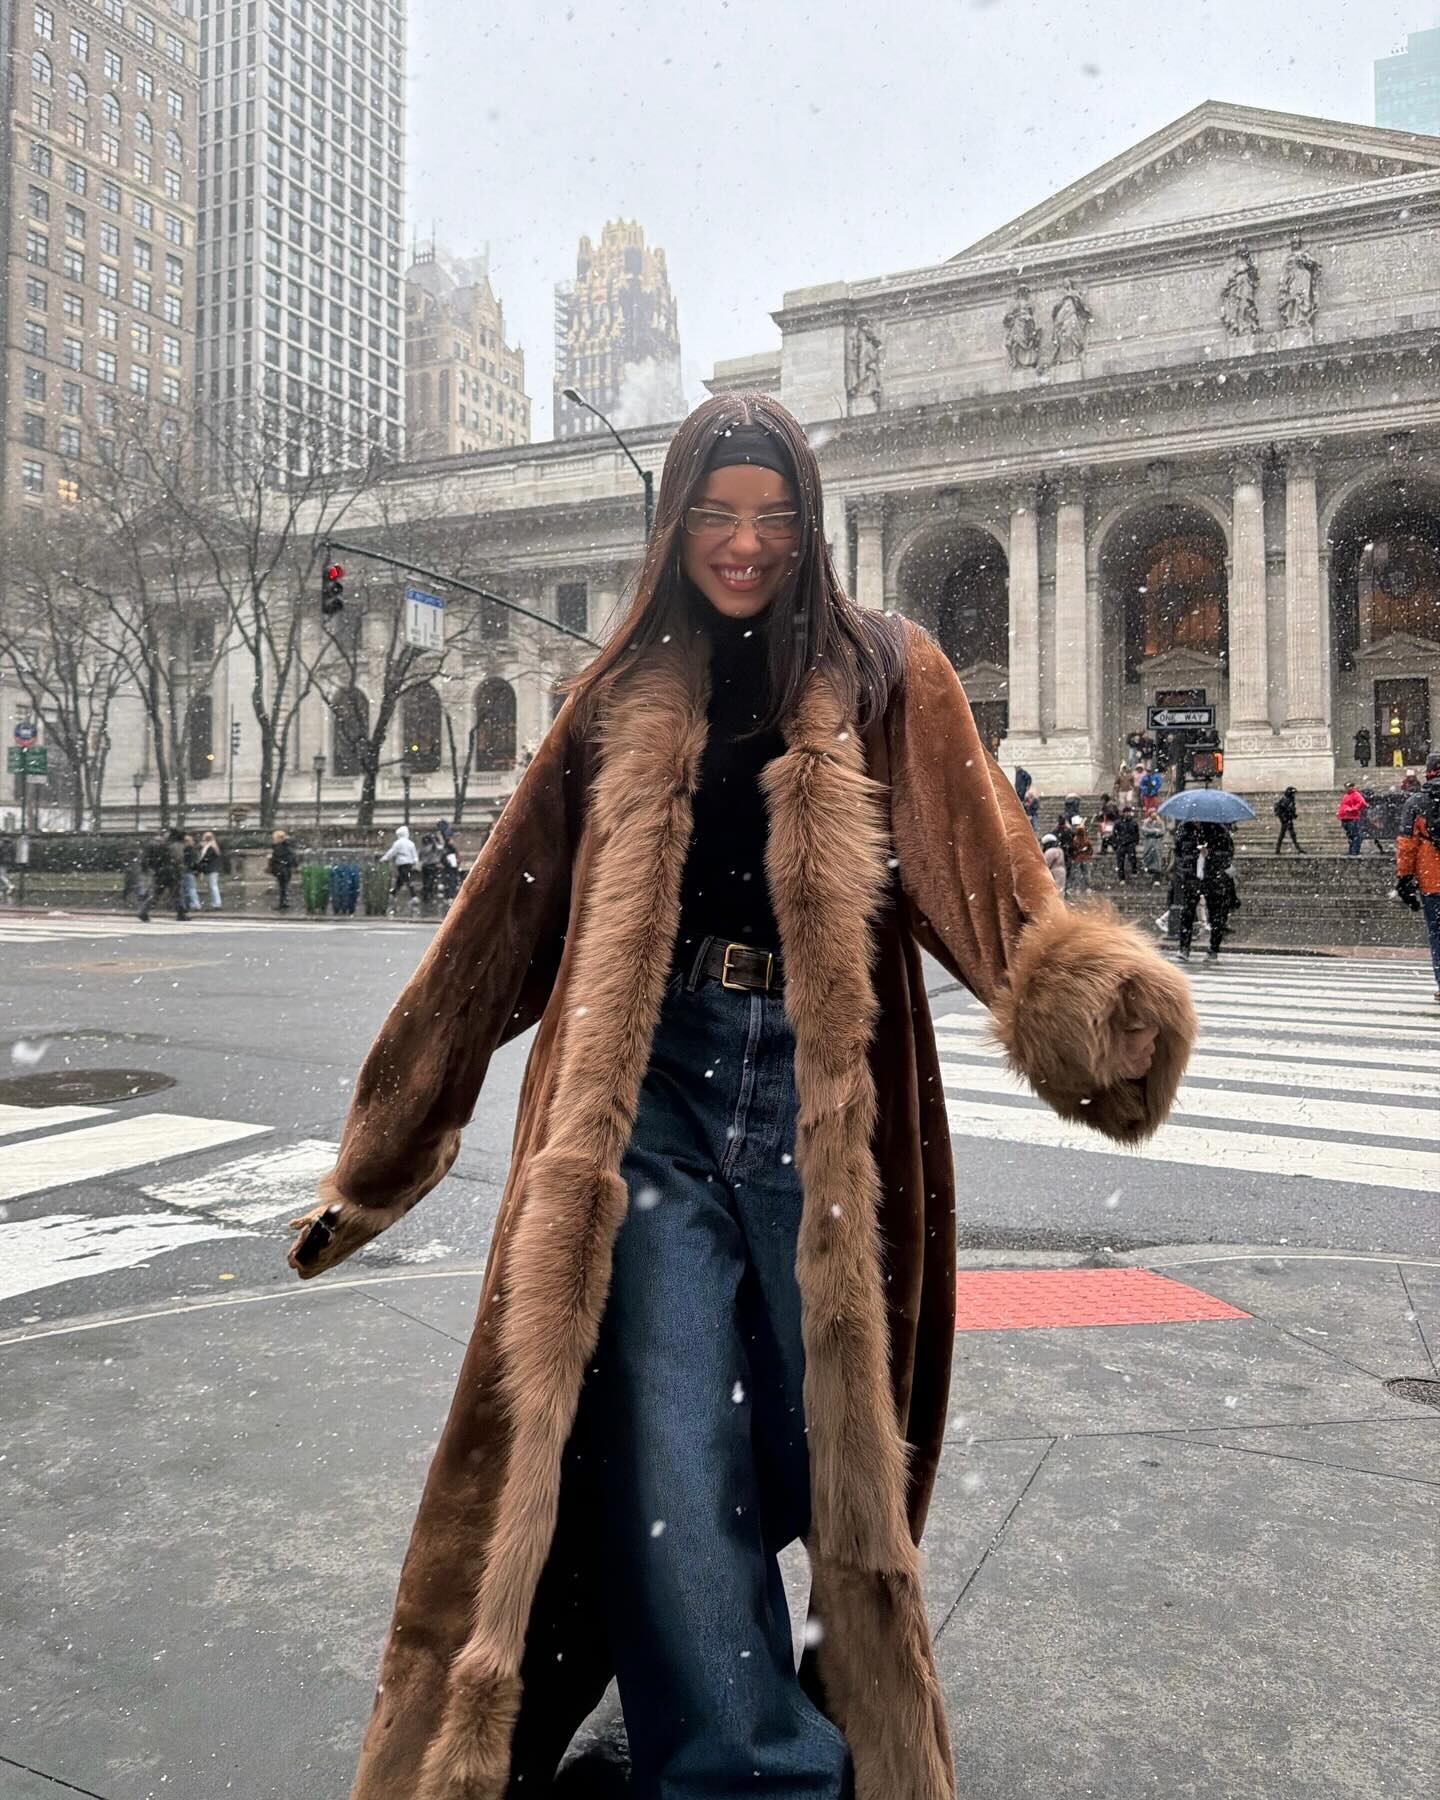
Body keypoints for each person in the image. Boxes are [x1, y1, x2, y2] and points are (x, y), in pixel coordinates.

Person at [282, 391, 1196, 1800]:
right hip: (639, 1092)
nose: (746, 544)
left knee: (814, 1423)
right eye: (717, 515)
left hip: (814, 1087)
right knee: (669, 1414)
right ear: (676, 526)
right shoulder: (612, 695)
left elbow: (987, 881)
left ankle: (707, 1659)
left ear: (810, 527)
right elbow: (495, 938)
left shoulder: (892, 677)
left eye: (773, 518)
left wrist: (1099, 1023)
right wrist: (381, 1151)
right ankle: (746, 1761)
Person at [1395, 747, 1440, 1003]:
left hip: (1432, 880)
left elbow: (1406, 845)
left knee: (1437, 934)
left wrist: (1404, 879)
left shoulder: (1416, 802)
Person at [1174, 821, 1236, 961]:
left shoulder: (1219, 830)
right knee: (1187, 913)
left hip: (1212, 878)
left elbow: (1227, 855)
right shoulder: (1184, 830)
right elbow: (1179, 853)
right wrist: (1188, 865)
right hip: (1191, 877)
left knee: (1216, 914)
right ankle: (1184, 948)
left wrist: (1210, 855)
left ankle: (1213, 949)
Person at [138, 827, 188, 922]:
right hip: (172, 873)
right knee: (176, 894)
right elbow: (178, 860)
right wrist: (180, 869)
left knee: (156, 893)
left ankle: (143, 911)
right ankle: (181, 914)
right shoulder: (176, 845)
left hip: (160, 872)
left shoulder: (162, 844)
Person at [379, 823, 420, 906]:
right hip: (409, 863)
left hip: (401, 864)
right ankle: (394, 895)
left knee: (406, 880)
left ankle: (412, 897)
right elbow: (414, 854)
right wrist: (415, 862)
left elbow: (392, 852)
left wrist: (384, 858)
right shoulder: (410, 843)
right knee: (401, 880)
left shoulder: (398, 843)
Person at [267, 829, 297, 910]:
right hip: (286, 870)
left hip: (281, 870)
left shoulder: (279, 847)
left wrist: (272, 859)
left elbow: (277, 859)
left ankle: (282, 903)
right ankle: (284, 902)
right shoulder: (287, 847)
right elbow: (291, 859)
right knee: (284, 887)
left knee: (282, 887)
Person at [1337, 782, 1367, 856]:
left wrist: (1353, 809)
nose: (1347, 788)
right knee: (1350, 835)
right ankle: (1352, 850)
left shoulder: (1356, 794)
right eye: (1346, 787)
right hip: (1345, 818)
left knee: (1354, 835)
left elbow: (1362, 803)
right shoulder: (1346, 795)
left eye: (1348, 787)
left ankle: (1354, 851)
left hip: (1352, 818)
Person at [1113, 804, 1140, 882]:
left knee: (1133, 858)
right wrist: (1115, 844)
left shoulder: (1133, 822)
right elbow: (1114, 834)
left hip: (1130, 843)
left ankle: (1134, 871)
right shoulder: (1118, 822)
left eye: (1129, 812)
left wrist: (1135, 842)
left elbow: (1136, 833)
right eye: (1126, 812)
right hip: (1121, 843)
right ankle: (1122, 878)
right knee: (1120, 862)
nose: (1128, 814)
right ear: (1123, 813)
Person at [1140, 810, 1169, 884]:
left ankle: (1157, 879)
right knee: (1148, 860)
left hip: (1157, 844)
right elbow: (1144, 831)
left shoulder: (1160, 822)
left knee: (1157, 861)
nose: (1154, 814)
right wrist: (1155, 831)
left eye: (1155, 813)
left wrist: (1152, 832)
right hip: (1149, 845)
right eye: (1152, 813)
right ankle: (1151, 878)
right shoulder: (1146, 822)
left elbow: (1162, 832)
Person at [197, 831, 223, 908]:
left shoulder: (210, 847)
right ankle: (215, 903)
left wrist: (199, 866)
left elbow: (206, 858)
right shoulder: (212, 846)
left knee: (213, 886)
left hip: (211, 869)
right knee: (212, 886)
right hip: (212, 869)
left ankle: (217, 903)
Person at [1274, 786, 1302, 854]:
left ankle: (1298, 848)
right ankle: (1278, 849)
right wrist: (1285, 818)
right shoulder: (1285, 800)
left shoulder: (1289, 800)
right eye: (1293, 793)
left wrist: (1293, 815)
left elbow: (1290, 810)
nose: (1294, 795)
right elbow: (1282, 810)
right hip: (1286, 820)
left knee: (1290, 835)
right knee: (1285, 835)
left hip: (1288, 819)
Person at [180, 833, 201, 914]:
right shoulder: (193, 850)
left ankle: (195, 905)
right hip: (190, 871)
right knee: (188, 889)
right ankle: (190, 905)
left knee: (189, 889)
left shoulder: (187, 850)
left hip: (187, 871)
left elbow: (189, 862)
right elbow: (195, 862)